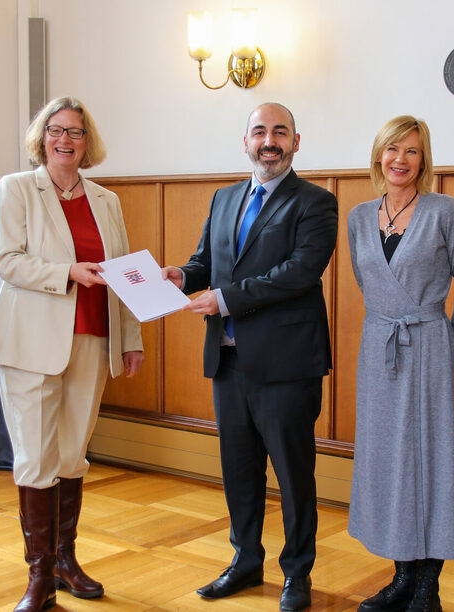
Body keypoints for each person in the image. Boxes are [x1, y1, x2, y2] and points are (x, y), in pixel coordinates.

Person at [161, 102, 337, 612]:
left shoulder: (316, 202)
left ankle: (297, 573)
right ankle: (245, 561)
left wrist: (227, 298)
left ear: (296, 142)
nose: (269, 140)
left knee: (293, 475)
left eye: (279, 132)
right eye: (259, 131)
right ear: (245, 142)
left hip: (287, 366)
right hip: (228, 360)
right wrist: (184, 276)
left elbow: (301, 271)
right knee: (239, 471)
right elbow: (206, 262)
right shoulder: (224, 198)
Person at [0, 96, 144, 612]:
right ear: (42, 137)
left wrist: (131, 337)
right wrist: (66, 273)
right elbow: (7, 261)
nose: (65, 140)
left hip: (94, 337)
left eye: (75, 132)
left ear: (86, 141)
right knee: (35, 457)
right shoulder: (16, 189)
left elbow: (124, 273)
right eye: (57, 131)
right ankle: (38, 579)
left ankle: (65, 561)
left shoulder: (107, 200)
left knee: (72, 454)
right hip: (30, 341)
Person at [347, 116, 454, 612]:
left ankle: (428, 588)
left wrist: (447, 343)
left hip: (428, 348)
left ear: (424, 160)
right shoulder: (359, 217)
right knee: (387, 461)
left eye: (412, 151)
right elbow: (372, 288)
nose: (400, 159)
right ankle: (402, 577)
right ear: (379, 155)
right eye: (392, 149)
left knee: (431, 462)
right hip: (379, 345)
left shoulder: (445, 211)